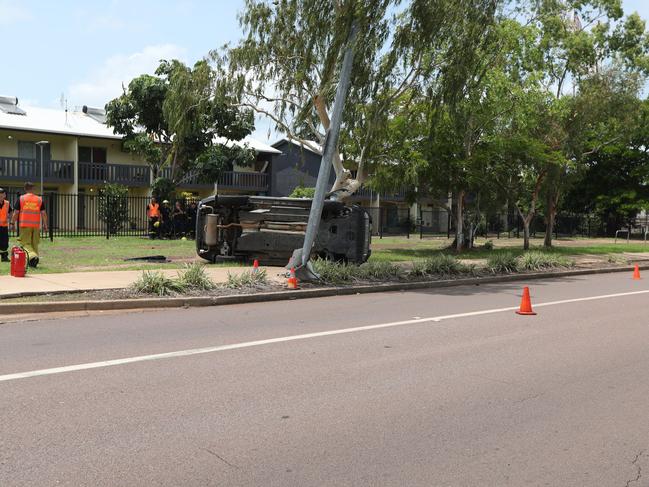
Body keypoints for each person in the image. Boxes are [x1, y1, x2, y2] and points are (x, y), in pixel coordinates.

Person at [10, 182, 48, 268]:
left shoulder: (21, 199)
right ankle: (33, 263)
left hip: (25, 225)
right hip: (36, 226)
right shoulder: (39, 199)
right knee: (34, 243)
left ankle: (32, 256)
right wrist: (45, 225)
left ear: (25, 189)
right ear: (32, 189)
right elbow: (44, 213)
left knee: (25, 243)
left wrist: (12, 223)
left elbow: (16, 213)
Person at [0, 188, 12, 262]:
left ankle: (4, 257)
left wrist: (9, 218)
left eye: (2, 195)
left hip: (4, 226)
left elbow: (11, 212)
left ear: (4, 195)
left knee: (5, 243)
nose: (1, 197)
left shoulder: (7, 203)